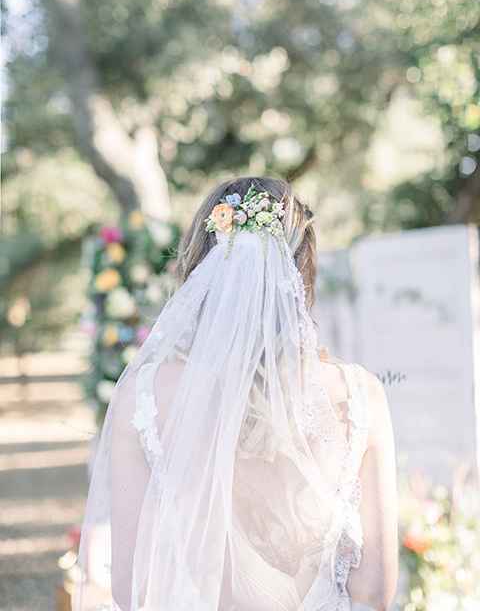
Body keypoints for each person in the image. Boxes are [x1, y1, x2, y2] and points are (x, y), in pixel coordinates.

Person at [73, 176, 398, 611]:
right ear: (304, 276)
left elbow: (135, 590)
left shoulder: (143, 397)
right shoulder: (360, 395)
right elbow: (374, 591)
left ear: (198, 270)